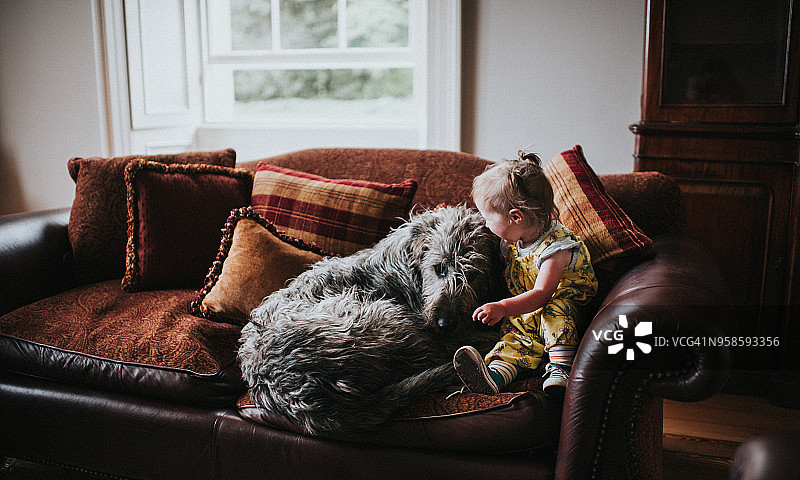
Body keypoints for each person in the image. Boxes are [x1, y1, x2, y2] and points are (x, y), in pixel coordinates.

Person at [453, 148, 598, 396]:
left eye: (488, 218)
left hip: (561, 308)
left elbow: (542, 293)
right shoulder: (512, 241)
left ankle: (562, 369)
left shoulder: (555, 250)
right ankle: (493, 378)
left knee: (555, 311)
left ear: (516, 217)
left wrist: (502, 307)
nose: (485, 224)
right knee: (515, 337)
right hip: (528, 310)